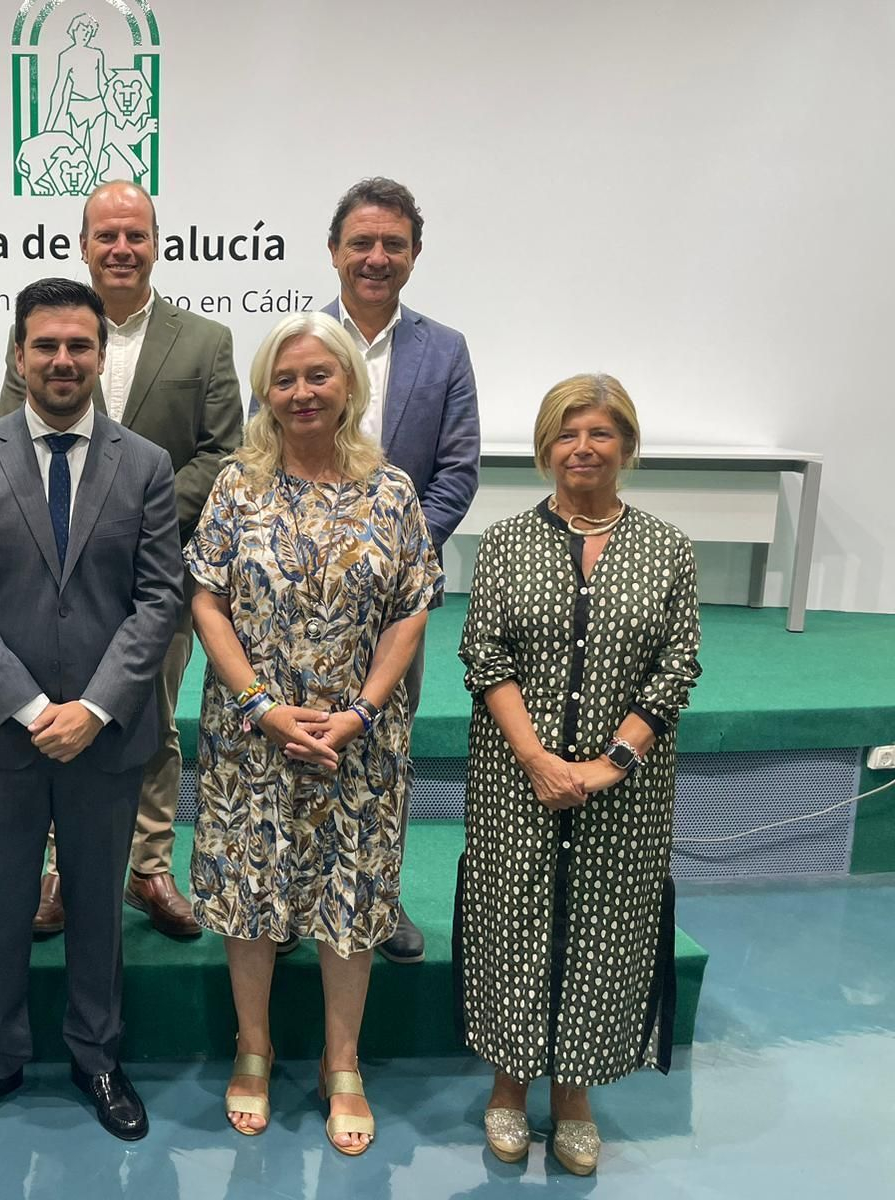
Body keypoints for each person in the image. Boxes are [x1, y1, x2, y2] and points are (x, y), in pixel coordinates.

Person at [0, 278, 183, 1141]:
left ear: (102, 356)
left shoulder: (145, 464)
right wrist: (34, 707)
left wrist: (96, 708)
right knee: (1, 906)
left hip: (106, 738)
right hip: (4, 734)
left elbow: (159, 599)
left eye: (79, 345)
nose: (63, 360)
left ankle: (97, 1054)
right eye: (47, 345)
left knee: (99, 908)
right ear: (19, 354)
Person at [186, 312, 442, 1155]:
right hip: (252, 737)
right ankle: (253, 1049)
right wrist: (261, 705)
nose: (302, 392)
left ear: (349, 386)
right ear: (266, 390)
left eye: (318, 376)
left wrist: (362, 710)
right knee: (252, 894)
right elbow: (205, 599)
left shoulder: (392, 491)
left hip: (357, 741)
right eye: (286, 378)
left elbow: (412, 608)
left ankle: (343, 1062)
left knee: (350, 897)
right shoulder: (237, 485)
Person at [456, 374, 700, 1175]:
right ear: (545, 448)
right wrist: (537, 759)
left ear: (626, 445)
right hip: (513, 780)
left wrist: (609, 764)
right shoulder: (505, 543)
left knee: (606, 927)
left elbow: (676, 666)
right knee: (513, 920)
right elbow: (483, 654)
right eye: (566, 434)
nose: (583, 449)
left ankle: (575, 1097)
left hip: (626, 790)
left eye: (599, 433)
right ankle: (507, 1085)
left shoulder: (668, 549)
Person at [0, 180, 243, 940]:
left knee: (150, 718)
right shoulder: (44, 331)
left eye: (135, 234)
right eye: (106, 235)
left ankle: (148, 865)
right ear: (83, 244)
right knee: (55, 715)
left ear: (157, 243)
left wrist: (131, 511)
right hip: (49, 574)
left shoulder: (205, 341)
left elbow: (224, 454)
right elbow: (11, 434)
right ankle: (58, 869)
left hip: (156, 575)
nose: (121, 248)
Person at [317, 177, 481, 964]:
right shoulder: (300, 336)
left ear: (414, 254)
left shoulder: (444, 350)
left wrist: (396, 559)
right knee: (301, 744)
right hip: (302, 594)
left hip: (396, 602)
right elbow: (263, 454)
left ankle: (378, 897)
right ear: (334, 251)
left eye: (393, 244)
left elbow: (457, 472)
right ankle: (298, 895)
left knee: (384, 748)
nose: (376, 258)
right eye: (362, 243)